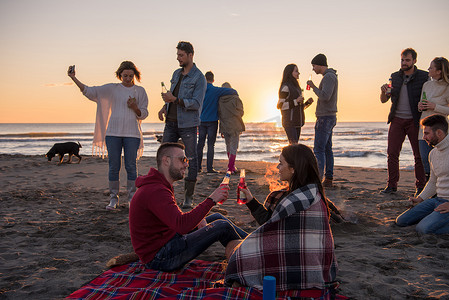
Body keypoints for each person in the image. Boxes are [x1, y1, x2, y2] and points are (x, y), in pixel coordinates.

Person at [225, 144, 338, 292]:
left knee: (233, 247)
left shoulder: (293, 200)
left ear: (293, 169)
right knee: (233, 237)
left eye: (281, 163)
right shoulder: (313, 193)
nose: (278, 167)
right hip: (317, 267)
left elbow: (269, 226)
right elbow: (273, 225)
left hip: (296, 269)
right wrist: (251, 201)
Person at [129, 142, 248, 272]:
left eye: (186, 160)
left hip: (167, 242)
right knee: (221, 226)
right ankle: (252, 251)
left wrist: (199, 218)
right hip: (160, 258)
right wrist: (212, 199)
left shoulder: (158, 185)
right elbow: (182, 225)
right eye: (182, 160)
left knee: (217, 218)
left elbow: (175, 218)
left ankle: (254, 240)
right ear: (166, 161)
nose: (186, 164)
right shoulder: (156, 190)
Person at [68, 61, 149, 210]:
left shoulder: (140, 91)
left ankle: (132, 199)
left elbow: (143, 114)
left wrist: (135, 107)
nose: (128, 78)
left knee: (131, 166)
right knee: (114, 167)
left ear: (135, 75)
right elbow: (90, 91)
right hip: (113, 134)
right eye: (125, 75)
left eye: (131, 76)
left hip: (132, 134)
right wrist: (74, 78)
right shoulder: (112, 89)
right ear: (120, 75)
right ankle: (114, 199)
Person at [158, 41, 207, 208]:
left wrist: (175, 100)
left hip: (188, 124)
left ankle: (188, 197)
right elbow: (173, 95)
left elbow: (196, 103)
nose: (178, 58)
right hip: (170, 123)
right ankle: (163, 193)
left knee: (191, 159)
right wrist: (165, 107)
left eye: (181, 55)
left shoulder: (199, 78)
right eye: (177, 55)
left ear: (190, 55)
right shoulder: (176, 73)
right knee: (164, 157)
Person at [380, 48, 428, 195]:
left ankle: (420, 186)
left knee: (418, 155)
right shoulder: (394, 77)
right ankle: (392, 185)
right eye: (402, 60)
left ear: (414, 61)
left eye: (407, 60)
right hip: (396, 120)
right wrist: (383, 92)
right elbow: (384, 100)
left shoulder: (424, 77)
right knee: (392, 153)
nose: (404, 63)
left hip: (416, 121)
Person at [395, 114, 449, 234]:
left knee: (423, 229)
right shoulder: (433, 153)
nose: (423, 137)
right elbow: (433, 182)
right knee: (401, 221)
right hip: (437, 200)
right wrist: (420, 198)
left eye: (426, 133)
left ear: (439, 133)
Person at [306, 54, 338, 187]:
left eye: (314, 66)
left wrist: (313, 87)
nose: (313, 69)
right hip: (328, 116)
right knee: (327, 149)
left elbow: (325, 96)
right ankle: (328, 178)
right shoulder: (329, 76)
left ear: (319, 64)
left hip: (325, 117)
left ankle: (318, 178)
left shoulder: (329, 77)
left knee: (319, 149)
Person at [197, 71, 238, 174]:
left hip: (201, 121)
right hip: (212, 121)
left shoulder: (199, 90)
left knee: (200, 144)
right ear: (213, 80)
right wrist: (236, 93)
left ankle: (197, 168)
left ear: (204, 79)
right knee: (211, 145)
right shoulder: (216, 90)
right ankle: (209, 169)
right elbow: (232, 91)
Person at [417, 57, 449, 180]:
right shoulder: (427, 84)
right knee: (425, 158)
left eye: (431, 67)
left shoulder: (447, 87)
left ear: (439, 71)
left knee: (441, 162)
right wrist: (420, 106)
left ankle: (440, 191)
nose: (428, 69)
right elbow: (422, 103)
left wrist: (435, 106)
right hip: (424, 128)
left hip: (440, 130)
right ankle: (427, 189)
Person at [277, 64, 313, 144]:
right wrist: (296, 101)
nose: (298, 73)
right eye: (296, 71)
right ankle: (286, 156)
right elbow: (280, 106)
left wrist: (307, 103)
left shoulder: (297, 88)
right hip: (289, 122)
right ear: (290, 73)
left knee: (294, 146)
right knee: (294, 146)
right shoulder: (285, 87)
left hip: (297, 122)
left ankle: (290, 156)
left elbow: (299, 108)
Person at [218, 82, 245, 174]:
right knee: (234, 146)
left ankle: (231, 166)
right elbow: (241, 112)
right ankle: (230, 167)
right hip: (235, 125)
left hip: (225, 125)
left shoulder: (219, 100)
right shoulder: (236, 98)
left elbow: (219, 114)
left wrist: (221, 128)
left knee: (228, 146)